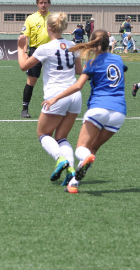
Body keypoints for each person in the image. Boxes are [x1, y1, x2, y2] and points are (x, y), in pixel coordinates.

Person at [42, 30, 128, 194]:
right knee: (93, 149)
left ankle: (83, 160)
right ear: (108, 43)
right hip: (119, 113)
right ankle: (73, 184)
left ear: (94, 45)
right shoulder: (118, 59)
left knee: (81, 148)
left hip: (99, 108)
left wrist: (55, 98)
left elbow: (77, 86)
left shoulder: (92, 64)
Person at [17, 12, 83, 186]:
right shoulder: (72, 45)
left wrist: (20, 47)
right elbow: (78, 71)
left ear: (49, 28)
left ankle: (60, 159)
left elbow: (23, 65)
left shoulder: (46, 47)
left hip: (57, 96)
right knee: (62, 137)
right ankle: (72, 174)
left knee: (43, 134)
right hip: (74, 95)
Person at [20, 0, 52, 118]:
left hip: (51, 52)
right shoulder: (31, 18)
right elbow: (25, 36)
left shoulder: (53, 18)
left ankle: (54, 108)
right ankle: (24, 109)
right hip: (35, 51)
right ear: (37, 4)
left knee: (53, 79)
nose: (43, 5)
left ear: (49, 3)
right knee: (32, 80)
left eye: (45, 2)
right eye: (41, 3)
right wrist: (24, 52)